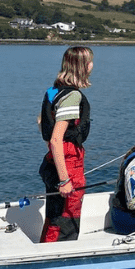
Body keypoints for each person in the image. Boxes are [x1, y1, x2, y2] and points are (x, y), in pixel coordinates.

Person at [38, 45, 93, 242]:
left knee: (54, 218)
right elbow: (55, 138)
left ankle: (45, 253)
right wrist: (64, 180)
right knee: (65, 221)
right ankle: (55, 260)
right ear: (82, 67)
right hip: (68, 167)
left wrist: (54, 155)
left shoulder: (54, 91)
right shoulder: (72, 96)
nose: (92, 65)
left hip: (55, 161)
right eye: (89, 62)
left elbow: (41, 123)